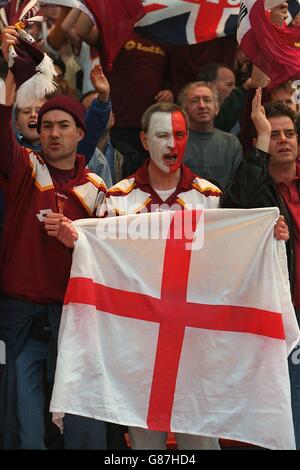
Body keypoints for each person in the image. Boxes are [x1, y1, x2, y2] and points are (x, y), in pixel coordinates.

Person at [0, 26, 108, 449]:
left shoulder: (99, 188)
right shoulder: (26, 168)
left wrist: (76, 240)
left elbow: (113, 256)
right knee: (27, 434)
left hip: (78, 321)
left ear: (82, 133)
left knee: (79, 432)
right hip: (23, 318)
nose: (53, 133)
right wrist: (9, 82)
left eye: (64, 125)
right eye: (45, 126)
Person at [221, 88, 299, 448]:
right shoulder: (252, 181)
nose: (283, 140)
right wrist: (261, 137)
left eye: (289, 133)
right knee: (290, 411)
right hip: (282, 317)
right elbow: (237, 209)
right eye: (274, 133)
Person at [178, 81, 243, 190]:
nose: (202, 106)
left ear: (217, 108)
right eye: (194, 101)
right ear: (184, 110)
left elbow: (238, 185)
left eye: (207, 100)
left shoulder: (231, 142)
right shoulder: (176, 141)